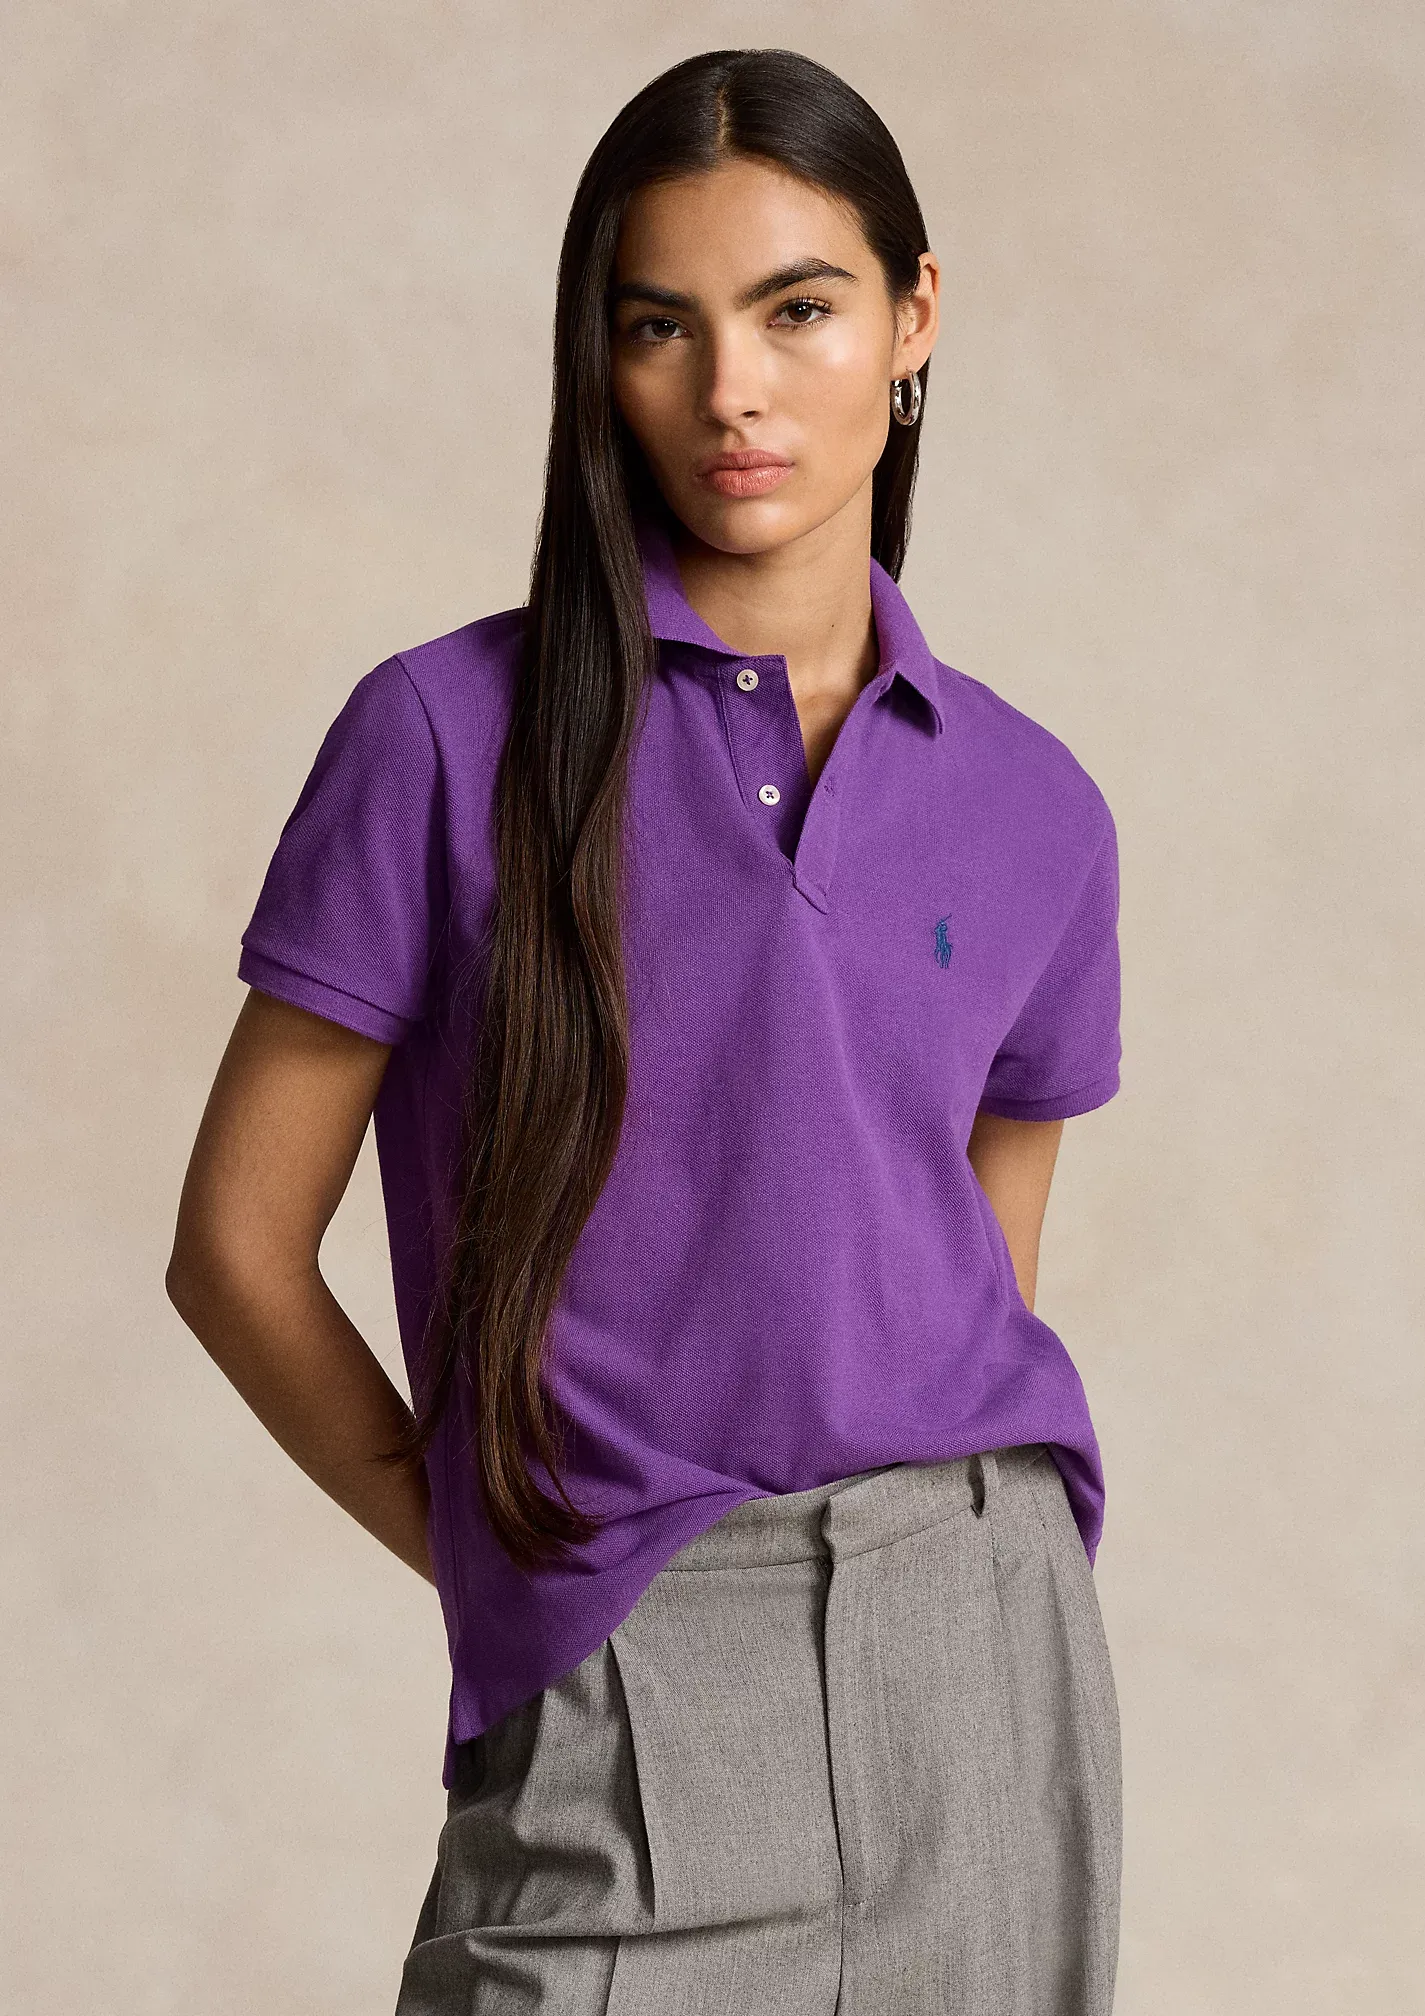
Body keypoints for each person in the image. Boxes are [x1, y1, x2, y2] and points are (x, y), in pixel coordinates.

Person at [167, 45, 1125, 2016]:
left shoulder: (1038, 808)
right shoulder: (444, 739)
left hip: (984, 1658)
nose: (732, 390)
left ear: (914, 319)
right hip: (633, 1656)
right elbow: (236, 1250)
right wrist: (501, 1552)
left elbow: (974, 1271)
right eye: (659, 325)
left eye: (798, 310)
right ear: (597, 362)